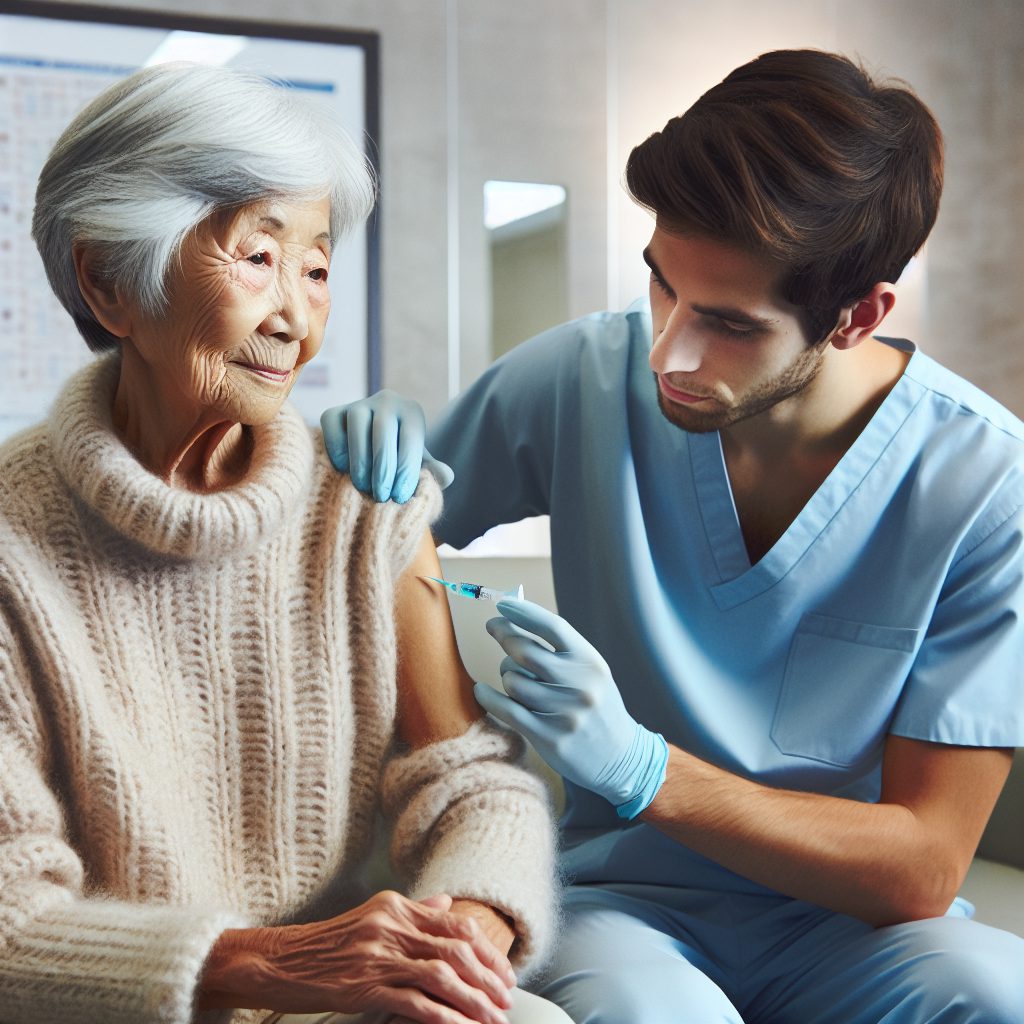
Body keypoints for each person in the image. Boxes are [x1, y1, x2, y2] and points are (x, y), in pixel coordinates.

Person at [322, 49, 1024, 1022]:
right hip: (626, 907)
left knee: (995, 992)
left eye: (728, 324)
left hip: (853, 923)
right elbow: (375, 539)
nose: (667, 352)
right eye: (661, 286)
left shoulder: (987, 481)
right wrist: (361, 471)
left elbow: (922, 862)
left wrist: (643, 767)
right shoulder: (583, 375)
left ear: (858, 315)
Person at [0, 61, 572, 1024]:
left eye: (315, 270)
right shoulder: (12, 547)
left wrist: (460, 938)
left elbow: (471, 778)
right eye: (257, 259)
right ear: (108, 283)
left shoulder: (366, 508)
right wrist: (268, 963)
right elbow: (10, 916)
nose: (294, 320)